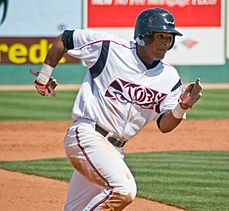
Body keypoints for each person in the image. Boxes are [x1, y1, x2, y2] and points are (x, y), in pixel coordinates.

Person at [30, 8, 202, 211]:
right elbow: (65, 39)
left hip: (114, 150)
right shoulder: (110, 48)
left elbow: (164, 125)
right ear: (143, 36)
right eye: (160, 36)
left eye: (170, 37)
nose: (166, 42)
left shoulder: (170, 78)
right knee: (123, 190)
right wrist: (43, 76)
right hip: (87, 134)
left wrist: (182, 106)